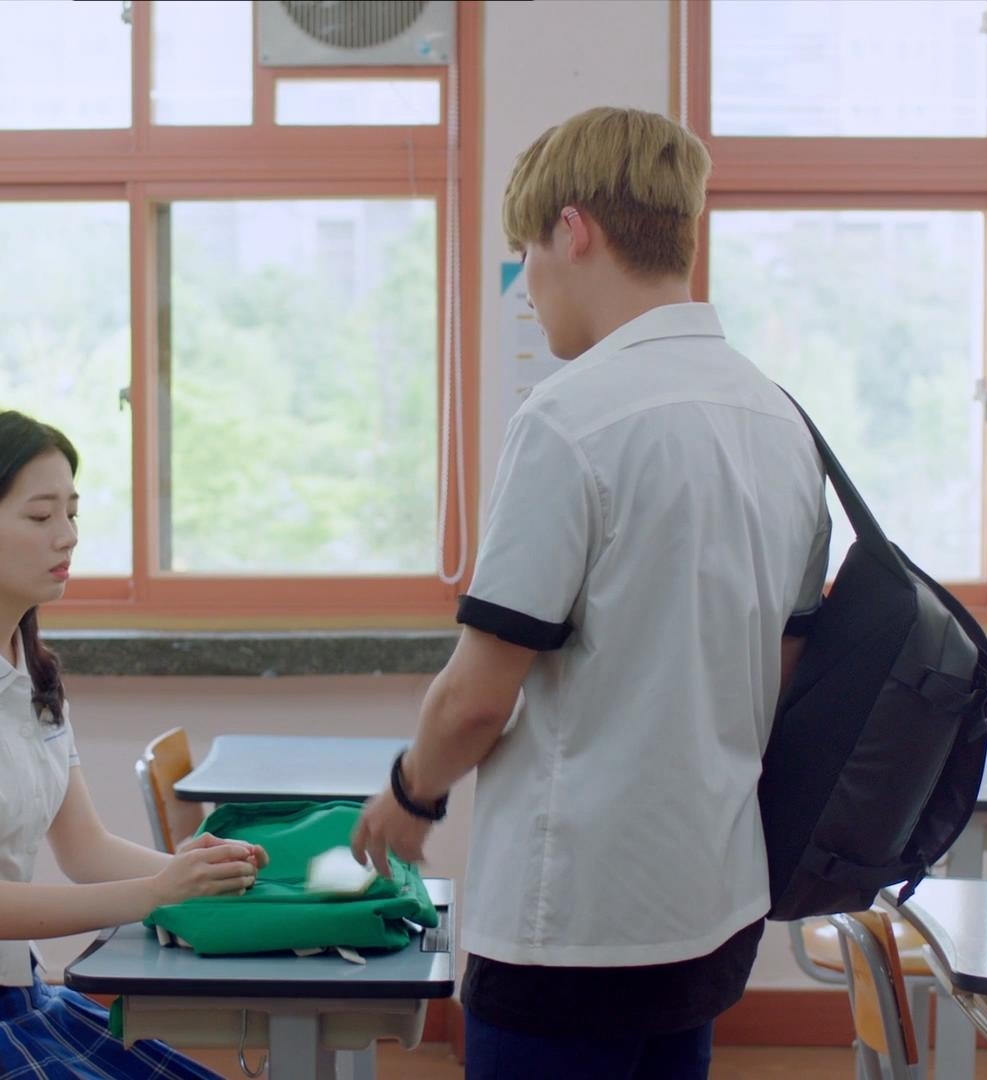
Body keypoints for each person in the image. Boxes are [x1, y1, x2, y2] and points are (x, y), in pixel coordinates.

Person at [350, 107, 832, 1079]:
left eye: (526, 254)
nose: (527, 289)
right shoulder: (780, 422)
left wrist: (409, 794)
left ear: (574, 231)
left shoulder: (570, 420)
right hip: (709, 904)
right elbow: (785, 672)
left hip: (571, 922)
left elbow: (477, 698)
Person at [0, 408, 264, 1079]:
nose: (66, 536)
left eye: (71, 511)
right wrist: (161, 890)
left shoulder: (30, 673)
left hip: (19, 993)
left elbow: (85, 850)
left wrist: (198, 876)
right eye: (40, 516)